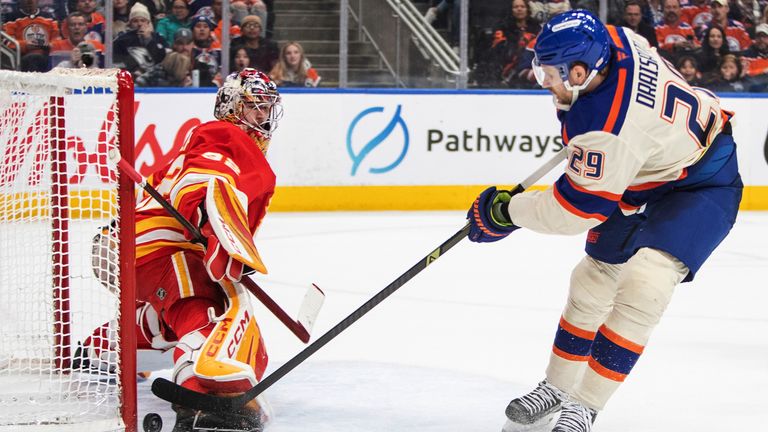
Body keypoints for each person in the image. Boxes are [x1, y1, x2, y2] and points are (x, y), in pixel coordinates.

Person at [466, 10, 741, 432]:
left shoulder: (609, 129)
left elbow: (574, 211)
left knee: (646, 282)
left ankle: (584, 405)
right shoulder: (613, 38)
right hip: (644, 169)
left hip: (702, 179)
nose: (546, 84)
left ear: (579, 71)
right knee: (594, 277)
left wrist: (505, 213)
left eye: (550, 75)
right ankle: (557, 388)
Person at [81, 68, 284, 431]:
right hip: (151, 243)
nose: (262, 117)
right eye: (254, 107)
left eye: (267, 109)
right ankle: (205, 398)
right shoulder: (224, 133)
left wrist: (224, 239)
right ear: (232, 107)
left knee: (170, 316)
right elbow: (205, 180)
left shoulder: (237, 147)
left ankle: (100, 348)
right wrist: (223, 237)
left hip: (131, 244)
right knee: (209, 304)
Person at [113, 3, 167, 81]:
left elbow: (162, 58)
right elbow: (117, 61)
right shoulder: (122, 40)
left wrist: (149, 40)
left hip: (155, 78)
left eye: (143, 20)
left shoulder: (158, 38)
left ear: (148, 23)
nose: (139, 24)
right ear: (130, 23)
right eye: (135, 21)